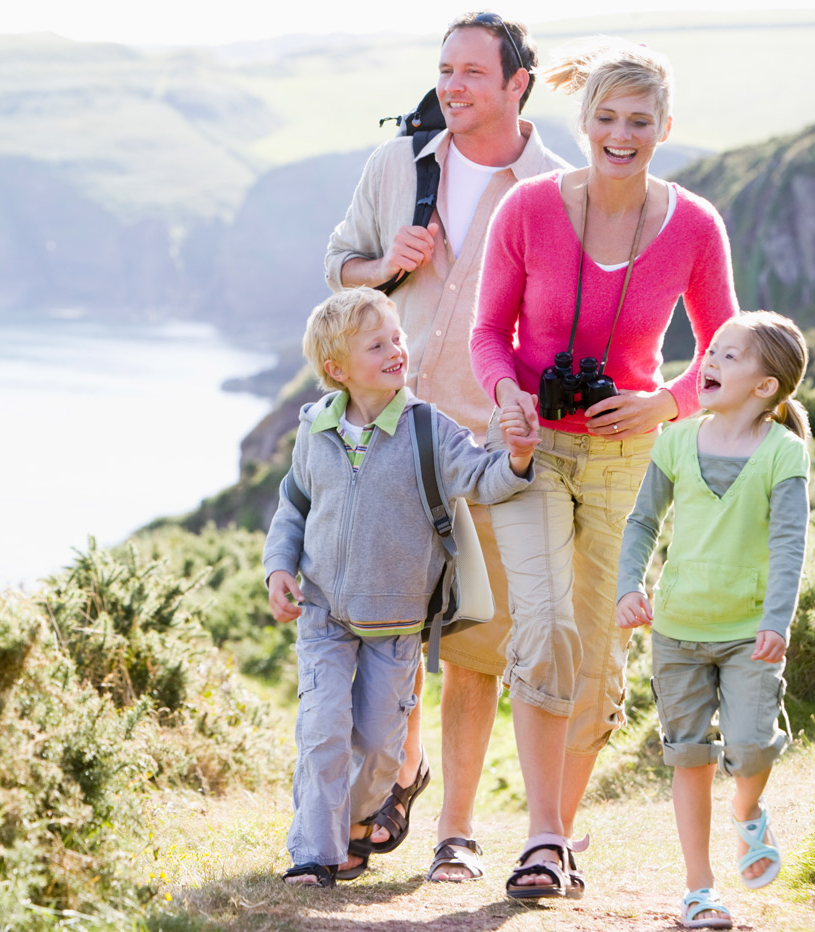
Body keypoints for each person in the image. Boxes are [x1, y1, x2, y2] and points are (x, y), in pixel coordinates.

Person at [468, 37, 738, 899]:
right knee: (543, 625)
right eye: (607, 118)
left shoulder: (695, 224)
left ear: (664, 127)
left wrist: (663, 402)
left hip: (632, 457)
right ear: (582, 121)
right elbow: (488, 337)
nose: (621, 135)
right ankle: (544, 838)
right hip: (534, 448)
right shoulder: (529, 210)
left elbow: (726, 353)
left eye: (640, 121)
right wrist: (508, 395)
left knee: (596, 649)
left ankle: (559, 833)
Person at [323, 11, 569, 882]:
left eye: (472, 71)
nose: (452, 86)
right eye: (444, 70)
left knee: (472, 645)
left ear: (517, 83)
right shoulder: (398, 165)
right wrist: (384, 261)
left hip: (486, 444)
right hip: (387, 437)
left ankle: (454, 836)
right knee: (386, 630)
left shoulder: (555, 190)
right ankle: (398, 775)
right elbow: (339, 268)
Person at [263, 286, 537, 886]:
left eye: (397, 338)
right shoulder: (316, 429)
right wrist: (279, 567)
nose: (397, 349)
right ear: (337, 369)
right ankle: (313, 852)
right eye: (377, 343)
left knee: (382, 749)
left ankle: (358, 826)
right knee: (322, 730)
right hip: (325, 615)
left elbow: (480, 475)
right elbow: (293, 507)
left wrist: (515, 459)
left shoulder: (427, 429)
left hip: (396, 626)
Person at [616, 311, 810, 929]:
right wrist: (630, 584)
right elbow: (643, 519)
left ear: (765, 387)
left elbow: (789, 544)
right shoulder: (675, 439)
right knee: (689, 758)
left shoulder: (784, 453)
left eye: (731, 356)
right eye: (712, 353)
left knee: (751, 748)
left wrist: (778, 619)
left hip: (751, 632)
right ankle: (699, 889)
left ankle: (748, 811)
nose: (712, 363)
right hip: (676, 629)